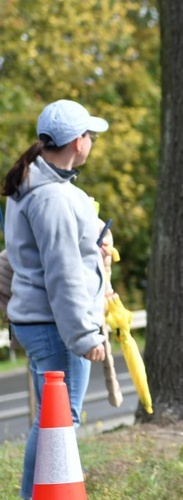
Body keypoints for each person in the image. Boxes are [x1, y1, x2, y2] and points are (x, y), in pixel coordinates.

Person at [2, 99, 110, 499]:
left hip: (40, 322)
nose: (92, 142)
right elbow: (62, 274)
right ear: (77, 143)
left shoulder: (34, 183)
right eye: (90, 135)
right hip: (55, 326)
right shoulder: (53, 198)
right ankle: (37, 495)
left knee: (51, 419)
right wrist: (85, 336)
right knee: (59, 419)